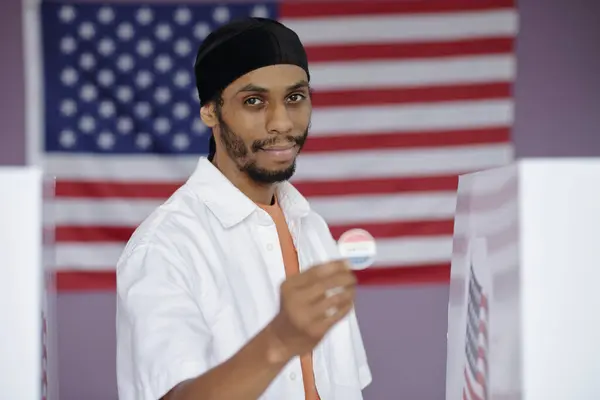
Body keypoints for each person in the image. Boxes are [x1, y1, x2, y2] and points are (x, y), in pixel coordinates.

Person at [116, 17, 372, 400]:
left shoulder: (312, 227)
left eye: (295, 98)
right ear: (210, 112)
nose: (281, 122)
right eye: (254, 101)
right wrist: (280, 340)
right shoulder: (164, 246)